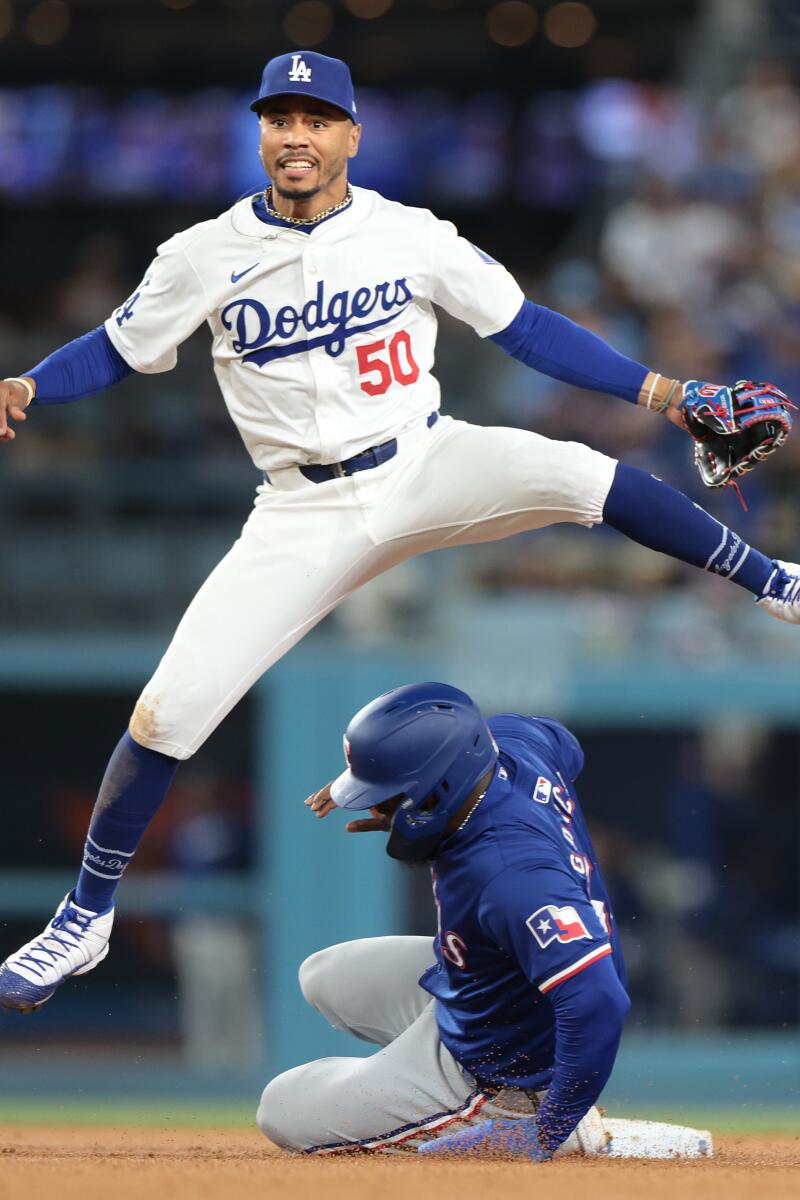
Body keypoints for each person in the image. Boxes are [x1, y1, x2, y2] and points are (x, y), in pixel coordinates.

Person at [0, 51, 798, 1014]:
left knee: (587, 476)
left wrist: (665, 393)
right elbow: (118, 349)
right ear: (260, 135)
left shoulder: (409, 234)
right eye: (279, 118)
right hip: (301, 509)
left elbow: (526, 328)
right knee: (168, 711)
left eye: (316, 118)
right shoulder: (202, 254)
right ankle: (86, 919)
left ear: (350, 137)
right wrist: (32, 382)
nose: (296, 135)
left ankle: (774, 580)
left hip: (424, 461)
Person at [257, 682, 711, 1160]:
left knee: (281, 1107)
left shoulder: (509, 873)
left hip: (505, 1065)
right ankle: (411, 1077)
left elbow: (598, 1003)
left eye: (387, 795)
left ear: (441, 784)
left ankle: (531, 1117)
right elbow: (563, 744)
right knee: (323, 976)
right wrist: (396, 783)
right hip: (486, 990)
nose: (375, 806)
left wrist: (546, 1130)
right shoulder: (511, 745)